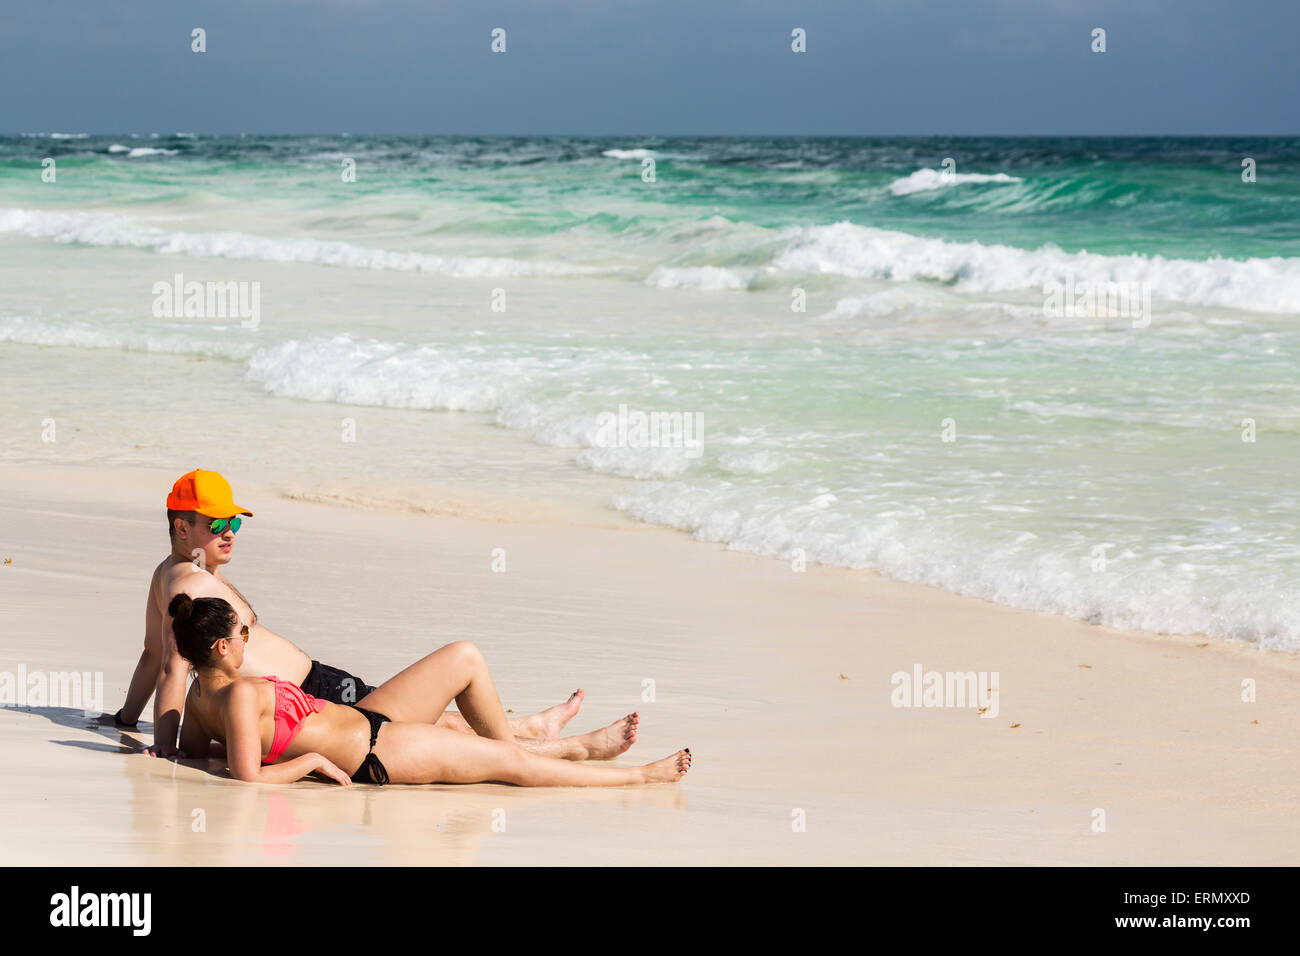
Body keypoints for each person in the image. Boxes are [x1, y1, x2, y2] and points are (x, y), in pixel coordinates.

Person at [115, 469, 627, 761]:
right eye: (217, 522)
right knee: (416, 721)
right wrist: (168, 749)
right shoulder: (193, 582)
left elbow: (152, 653)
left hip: (310, 689)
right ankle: (545, 749)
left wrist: (123, 719)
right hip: (306, 700)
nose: (229, 532)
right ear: (182, 528)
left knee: (420, 716)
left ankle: (532, 728)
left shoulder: (172, 573)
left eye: (235, 522)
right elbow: (172, 667)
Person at [171, 593, 692, 787]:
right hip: (377, 751)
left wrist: (163, 749)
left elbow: (200, 753)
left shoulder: (199, 698)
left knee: (464, 656)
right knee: (506, 766)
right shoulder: (238, 695)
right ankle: (637, 778)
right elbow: (244, 776)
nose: (248, 638)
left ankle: (547, 747)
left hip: (372, 716)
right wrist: (308, 764)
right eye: (242, 633)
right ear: (220, 648)